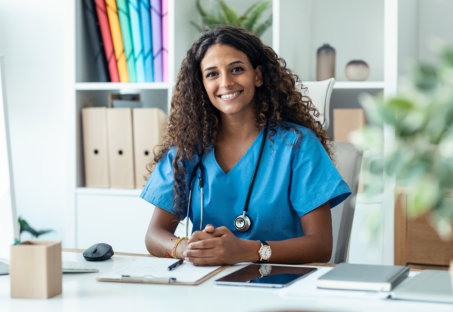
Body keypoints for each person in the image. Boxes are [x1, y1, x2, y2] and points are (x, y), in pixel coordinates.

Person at [141, 25, 350, 266]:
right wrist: (185, 248)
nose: (226, 82)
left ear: (258, 75)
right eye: (212, 74)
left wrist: (247, 250)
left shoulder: (297, 145)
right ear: (202, 84)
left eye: (237, 69)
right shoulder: (187, 150)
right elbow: (154, 235)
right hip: (207, 288)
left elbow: (320, 246)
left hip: (281, 290)